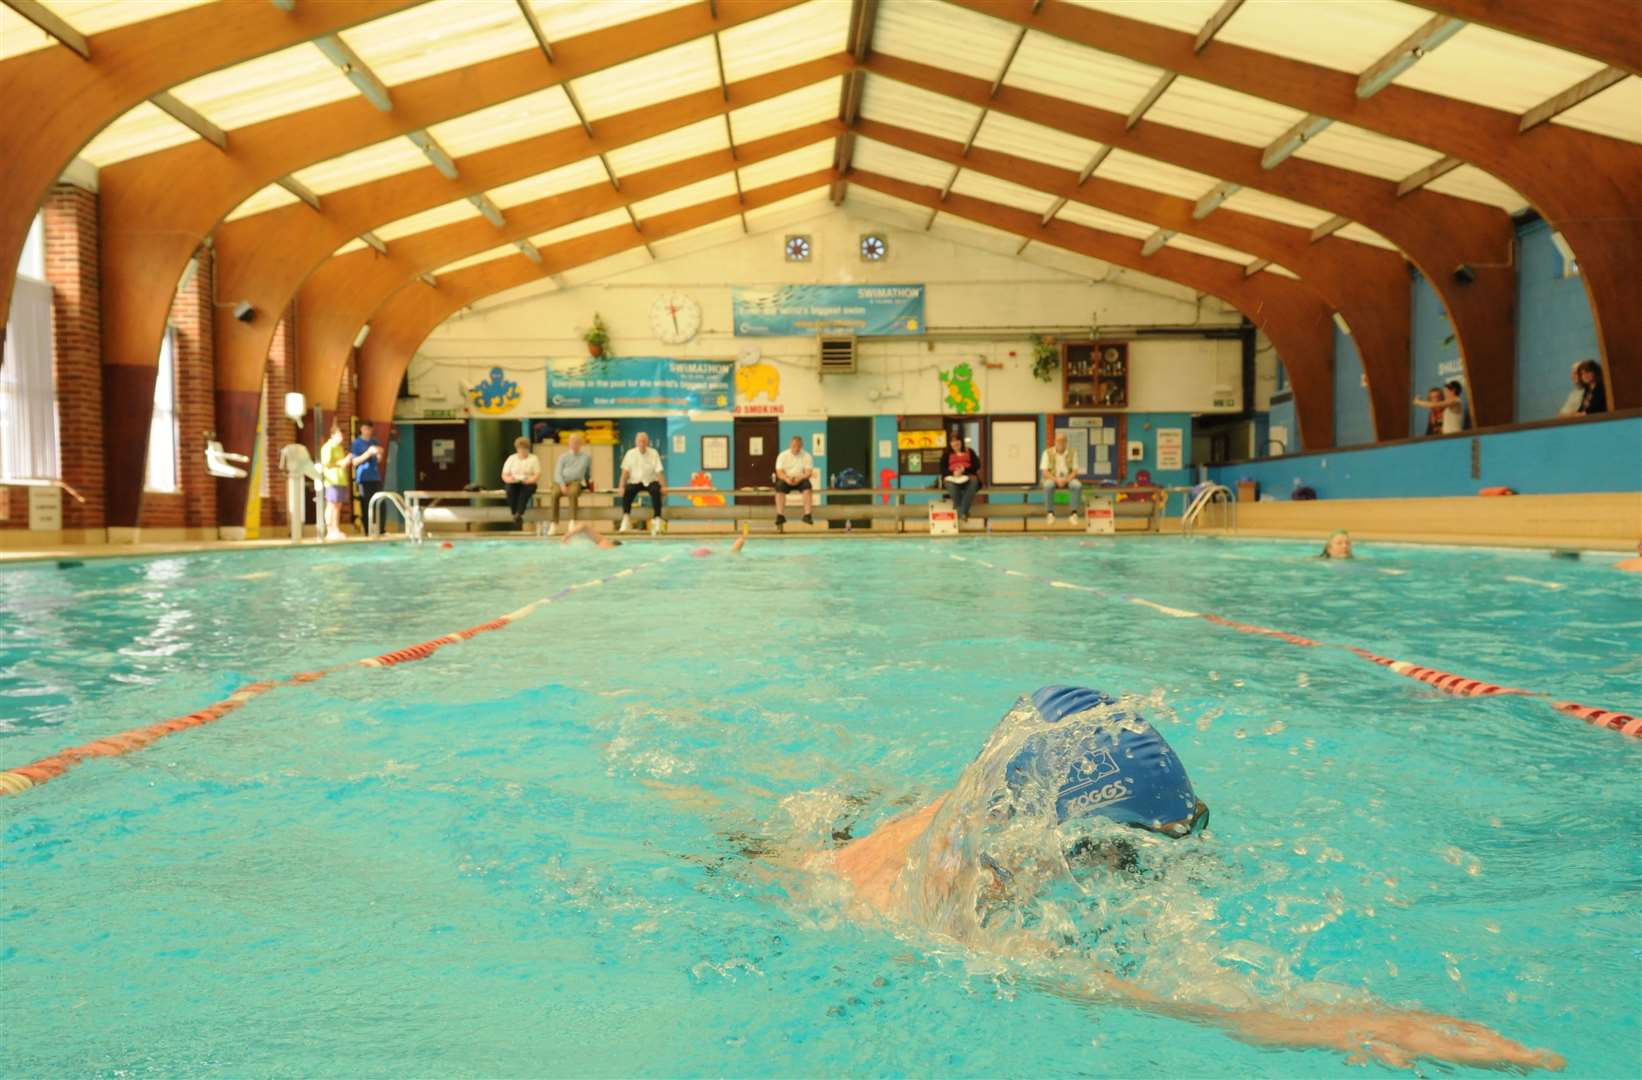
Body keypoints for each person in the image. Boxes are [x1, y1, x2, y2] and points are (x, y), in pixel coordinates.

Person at [831, 686, 1562, 1073]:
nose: (1140, 873)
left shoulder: (993, 805)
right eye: (1120, 854)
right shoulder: (951, 893)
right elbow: (1104, 985)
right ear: (1051, 838)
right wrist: (1310, 1021)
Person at [619, 431, 666, 534]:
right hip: (635, 481)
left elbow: (659, 471)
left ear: (647, 442)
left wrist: (663, 486)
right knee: (627, 491)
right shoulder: (630, 453)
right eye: (640, 441)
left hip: (650, 481)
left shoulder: (653, 453)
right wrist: (621, 486)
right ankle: (626, 518)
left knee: (656, 491)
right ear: (636, 442)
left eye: (644, 441)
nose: (642, 443)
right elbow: (625, 472)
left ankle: (657, 519)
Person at [548, 432, 593, 536]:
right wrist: (562, 484)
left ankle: (572, 521)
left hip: (575, 482)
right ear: (569, 444)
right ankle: (554, 523)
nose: (575, 445)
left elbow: (587, 473)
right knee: (554, 494)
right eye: (573, 442)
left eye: (577, 443)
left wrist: (589, 484)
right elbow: (557, 473)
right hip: (561, 481)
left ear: (580, 444)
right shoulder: (563, 457)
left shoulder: (586, 458)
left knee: (573, 493)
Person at [772, 434, 817, 527]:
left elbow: (808, 472)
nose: (796, 448)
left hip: (801, 478)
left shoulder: (807, 456)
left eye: (798, 446)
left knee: (807, 486)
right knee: (779, 486)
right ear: (790, 445)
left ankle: (807, 515)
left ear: (801, 446)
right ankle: (780, 515)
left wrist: (799, 478)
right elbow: (779, 472)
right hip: (786, 478)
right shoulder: (783, 455)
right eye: (794, 446)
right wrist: (786, 478)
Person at [318, 422, 352, 541]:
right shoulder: (328, 447)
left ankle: (336, 528)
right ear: (332, 435)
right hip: (332, 480)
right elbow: (326, 464)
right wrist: (341, 463)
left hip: (341, 479)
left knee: (338, 505)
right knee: (331, 504)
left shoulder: (339, 447)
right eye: (339, 435)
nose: (341, 438)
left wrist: (345, 461)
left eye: (342, 436)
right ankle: (330, 529)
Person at [938, 430, 983, 523]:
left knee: (974, 483)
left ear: (961, 441)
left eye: (957, 440)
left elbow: (977, 465)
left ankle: (961, 512)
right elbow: (942, 469)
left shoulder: (970, 451)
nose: (955, 443)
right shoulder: (946, 454)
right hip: (952, 478)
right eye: (952, 441)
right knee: (952, 488)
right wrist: (953, 472)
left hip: (968, 477)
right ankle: (964, 513)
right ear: (950, 443)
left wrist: (964, 470)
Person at [1040, 430, 1083, 524]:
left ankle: (1074, 514)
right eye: (1058, 440)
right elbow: (1045, 472)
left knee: (1077, 485)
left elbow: (1075, 471)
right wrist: (1057, 480)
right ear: (1055, 441)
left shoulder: (1073, 452)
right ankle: (1050, 513)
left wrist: (1066, 480)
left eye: (1063, 440)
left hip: (1068, 478)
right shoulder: (1047, 453)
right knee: (1047, 485)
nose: (1060, 442)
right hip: (1052, 478)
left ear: (1066, 442)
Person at [499, 436, 540, 531]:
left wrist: (529, 480)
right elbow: (504, 475)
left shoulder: (533, 458)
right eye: (520, 448)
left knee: (525, 492)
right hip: (514, 482)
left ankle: (519, 513)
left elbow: (537, 474)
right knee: (510, 490)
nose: (522, 451)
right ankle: (515, 513)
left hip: (528, 482)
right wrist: (511, 479)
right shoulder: (511, 458)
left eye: (524, 448)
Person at [350, 420, 384, 532]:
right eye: (365, 429)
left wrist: (379, 453)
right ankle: (368, 530)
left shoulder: (374, 441)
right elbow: (355, 461)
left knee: (380, 503)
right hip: (364, 479)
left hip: (375, 477)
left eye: (369, 429)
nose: (368, 431)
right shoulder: (356, 443)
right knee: (366, 504)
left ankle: (381, 529)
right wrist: (368, 453)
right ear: (361, 429)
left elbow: (379, 459)